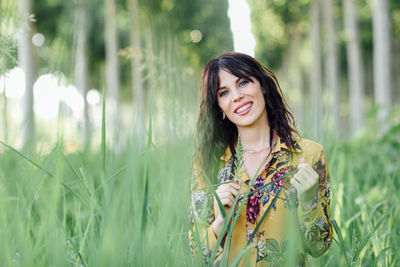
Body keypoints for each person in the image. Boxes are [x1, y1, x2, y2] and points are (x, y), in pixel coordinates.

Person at [190, 52, 332, 266]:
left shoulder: (309, 155)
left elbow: (318, 248)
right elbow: (193, 256)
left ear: (263, 85)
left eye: (243, 82)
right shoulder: (208, 165)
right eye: (224, 92)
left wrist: (309, 200)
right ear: (219, 107)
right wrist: (220, 222)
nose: (237, 96)